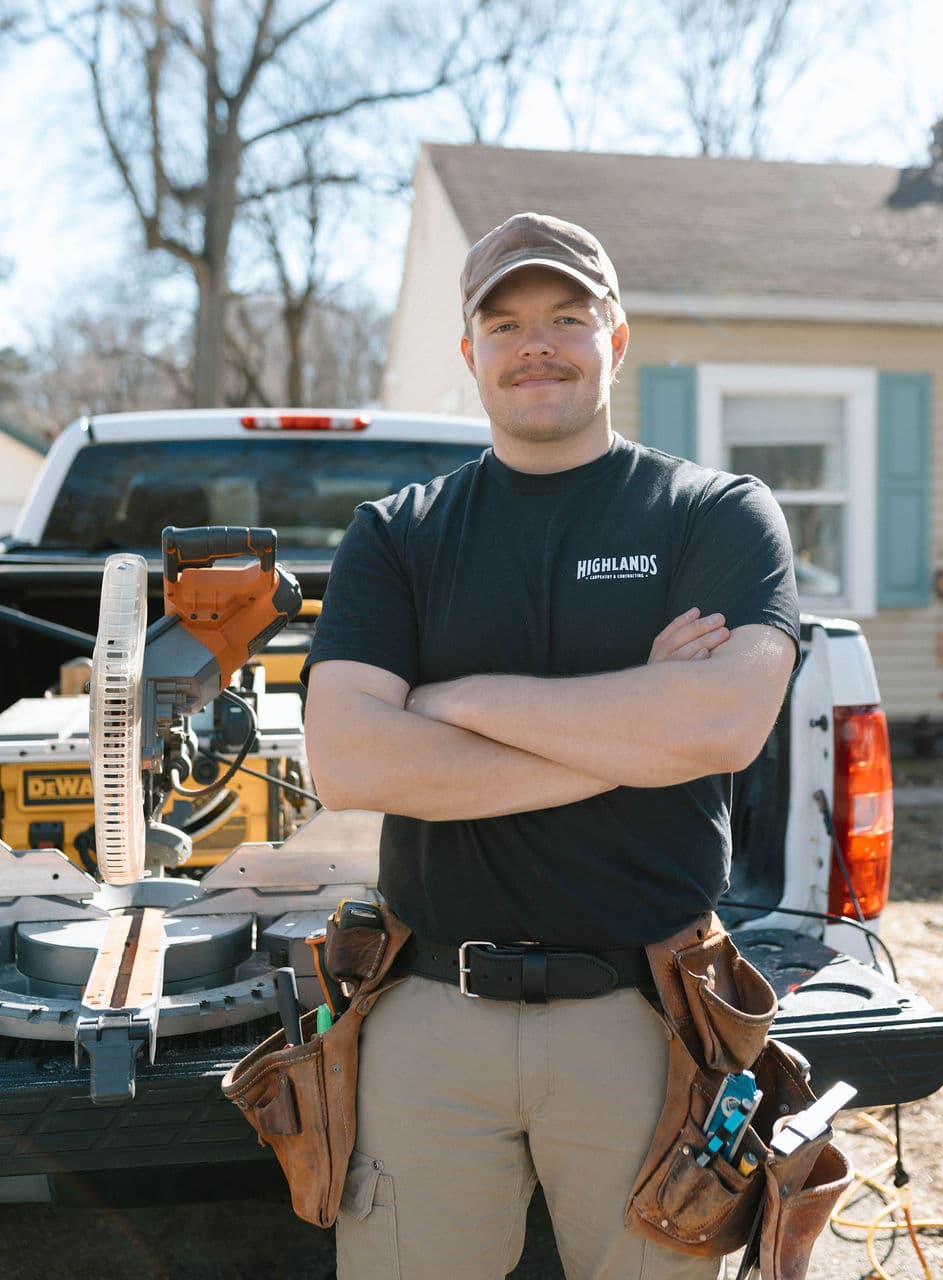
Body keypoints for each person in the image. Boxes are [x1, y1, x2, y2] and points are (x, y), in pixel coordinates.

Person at [303, 211, 799, 1280]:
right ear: (470, 351)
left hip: (646, 1016)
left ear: (615, 339)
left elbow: (721, 724)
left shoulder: (713, 513)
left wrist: (454, 699)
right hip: (429, 1016)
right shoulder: (398, 534)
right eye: (505, 323)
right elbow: (348, 761)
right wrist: (637, 728)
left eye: (568, 317)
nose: (537, 344)